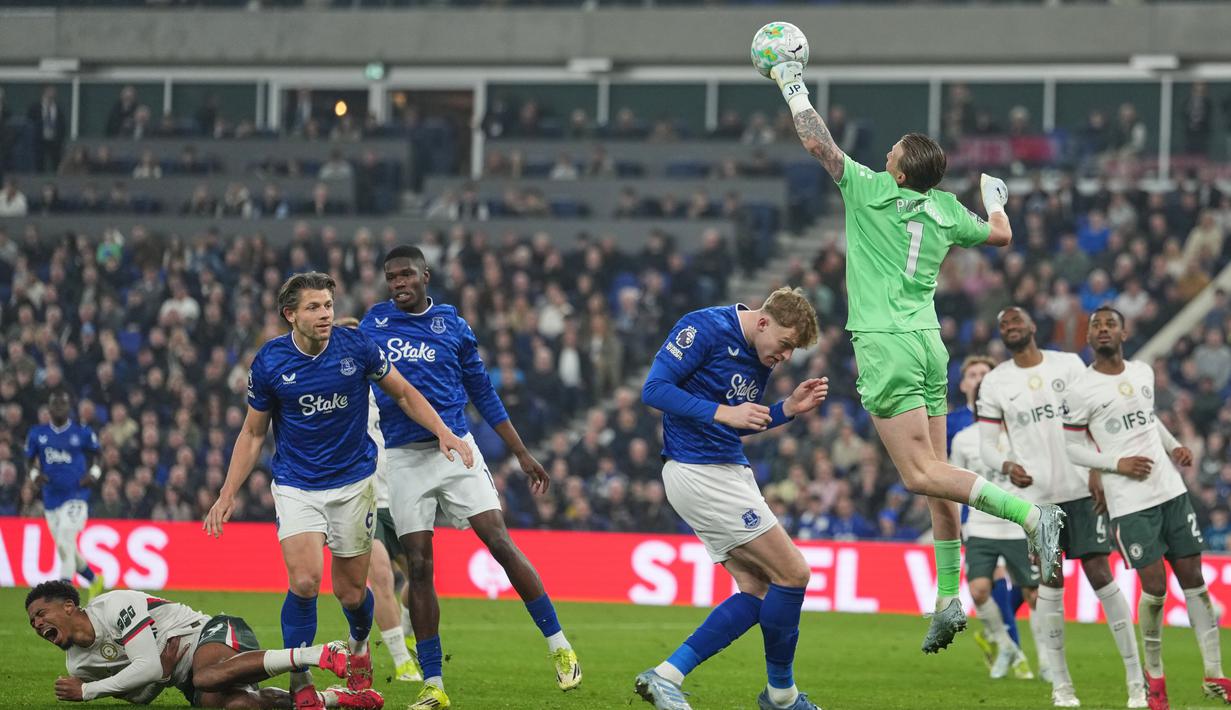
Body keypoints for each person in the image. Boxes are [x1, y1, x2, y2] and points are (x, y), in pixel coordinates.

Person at [770, 56, 1063, 654]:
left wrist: (789, 82)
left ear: (902, 171)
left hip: (885, 345)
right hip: (929, 345)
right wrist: (996, 198)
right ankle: (949, 597)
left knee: (920, 475)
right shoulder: (949, 209)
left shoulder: (872, 190)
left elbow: (818, 143)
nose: (886, 154)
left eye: (894, 151)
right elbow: (1002, 236)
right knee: (938, 486)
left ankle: (1033, 518)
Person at [204, 271, 472, 710]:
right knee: (306, 580)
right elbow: (253, 434)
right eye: (313, 307)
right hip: (296, 484)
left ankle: (359, 646)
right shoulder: (270, 362)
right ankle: (300, 679)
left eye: (328, 305)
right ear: (290, 314)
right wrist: (227, 492)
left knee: (351, 593)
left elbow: (403, 393)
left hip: (354, 484)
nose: (325, 314)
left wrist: (444, 431)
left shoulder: (358, 347)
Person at [359, 247, 578, 710]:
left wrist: (521, 453)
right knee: (417, 567)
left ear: (425, 275)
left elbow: (483, 392)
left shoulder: (453, 327)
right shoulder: (372, 325)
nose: (398, 283)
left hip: (456, 451)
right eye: (391, 277)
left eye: (406, 275)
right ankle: (434, 684)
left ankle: (559, 644)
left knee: (499, 542)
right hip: (403, 460)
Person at [633, 287, 828, 710]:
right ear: (763, 322)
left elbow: (738, 421)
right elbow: (653, 390)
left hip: (724, 470)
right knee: (793, 574)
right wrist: (724, 412)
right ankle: (781, 696)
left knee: (757, 589)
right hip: (700, 472)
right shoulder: (703, 326)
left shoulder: (760, 355)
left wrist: (784, 411)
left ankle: (666, 675)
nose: (786, 357)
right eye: (785, 344)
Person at [1063, 305, 1231, 709]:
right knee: (1155, 588)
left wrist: (1174, 447)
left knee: (1195, 581)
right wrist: (1114, 465)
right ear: (1089, 338)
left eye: (1110, 325)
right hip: (1129, 501)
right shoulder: (1081, 389)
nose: (1103, 330)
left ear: (1124, 333)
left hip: (1170, 491)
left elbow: (1147, 419)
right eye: (1096, 326)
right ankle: (1155, 678)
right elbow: (1071, 446)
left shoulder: (1142, 373)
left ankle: (1215, 675)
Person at [978, 307, 1145, 708]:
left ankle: (1137, 683)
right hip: (1039, 503)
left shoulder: (1068, 365)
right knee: (1050, 583)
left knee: (1099, 572)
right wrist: (1005, 464)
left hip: (1082, 490)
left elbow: (1094, 418)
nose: (1012, 327)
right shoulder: (996, 381)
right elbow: (987, 444)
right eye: (1003, 324)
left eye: (1017, 320)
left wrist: (1098, 468)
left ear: (1033, 325)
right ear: (1002, 335)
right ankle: (1062, 687)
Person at [25, 580, 382, 708]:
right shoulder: (78, 666)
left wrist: (88, 693)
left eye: (41, 614)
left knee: (207, 678)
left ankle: (319, 653)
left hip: (210, 632)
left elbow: (146, 668)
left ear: (69, 606)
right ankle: (335, 699)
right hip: (184, 677)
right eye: (32, 623)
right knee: (238, 706)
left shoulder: (114, 605)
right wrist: (158, 676)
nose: (38, 624)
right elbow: (140, 694)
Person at [334, 315, 422, 684]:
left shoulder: (387, 386)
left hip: (399, 495)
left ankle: (404, 631)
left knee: (422, 577)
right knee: (382, 577)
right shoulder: (334, 395)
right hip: (362, 500)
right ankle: (402, 663)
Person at [948, 356, 1037, 681]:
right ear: (963, 383)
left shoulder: (1010, 420)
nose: (979, 378)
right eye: (973, 374)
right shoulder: (954, 424)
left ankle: (1002, 642)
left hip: (1015, 514)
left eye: (985, 373)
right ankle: (1013, 651)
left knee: (1023, 585)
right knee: (989, 580)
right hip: (977, 517)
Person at [26, 388, 104, 602]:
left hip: (77, 496)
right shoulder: (37, 434)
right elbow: (29, 460)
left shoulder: (82, 432)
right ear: (49, 408)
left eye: (63, 404)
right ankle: (94, 579)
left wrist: (94, 474)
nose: (59, 408)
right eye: (55, 404)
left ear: (69, 408)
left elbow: (98, 455)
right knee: (65, 546)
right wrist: (34, 474)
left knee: (66, 536)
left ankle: (64, 593)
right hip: (51, 499)